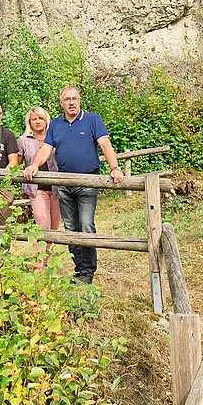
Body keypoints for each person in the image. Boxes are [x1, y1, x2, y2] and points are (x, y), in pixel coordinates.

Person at [23, 85, 122, 284]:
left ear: (79, 100)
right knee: (71, 228)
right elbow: (46, 150)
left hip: (87, 181)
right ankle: (79, 270)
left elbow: (105, 144)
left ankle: (88, 271)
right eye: (67, 99)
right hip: (64, 183)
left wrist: (115, 168)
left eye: (74, 98)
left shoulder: (93, 119)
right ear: (61, 103)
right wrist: (34, 165)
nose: (71, 102)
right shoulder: (56, 125)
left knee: (86, 225)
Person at [17, 106, 61, 262]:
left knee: (54, 227)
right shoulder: (23, 141)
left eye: (40, 118)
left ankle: (48, 261)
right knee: (42, 224)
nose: (37, 121)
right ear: (29, 122)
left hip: (56, 188)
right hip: (36, 189)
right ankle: (38, 262)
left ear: (46, 120)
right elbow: (16, 163)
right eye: (34, 119)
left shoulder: (55, 137)